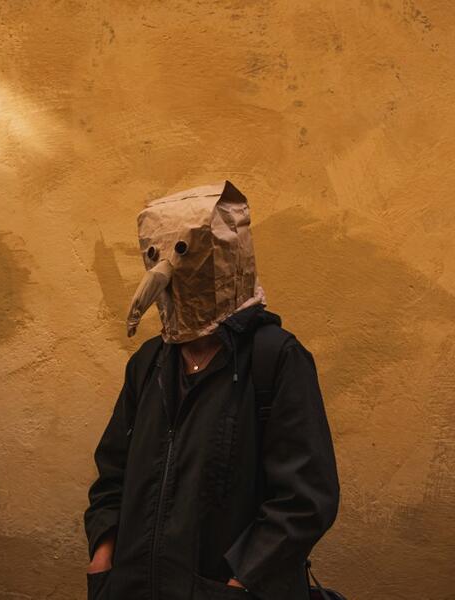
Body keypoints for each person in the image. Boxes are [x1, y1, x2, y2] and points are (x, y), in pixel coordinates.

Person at [84, 181, 340, 600]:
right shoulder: (149, 364)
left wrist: (240, 583)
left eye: (185, 253)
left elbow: (304, 500)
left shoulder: (275, 360)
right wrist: (104, 557)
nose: (167, 271)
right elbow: (112, 474)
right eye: (155, 254)